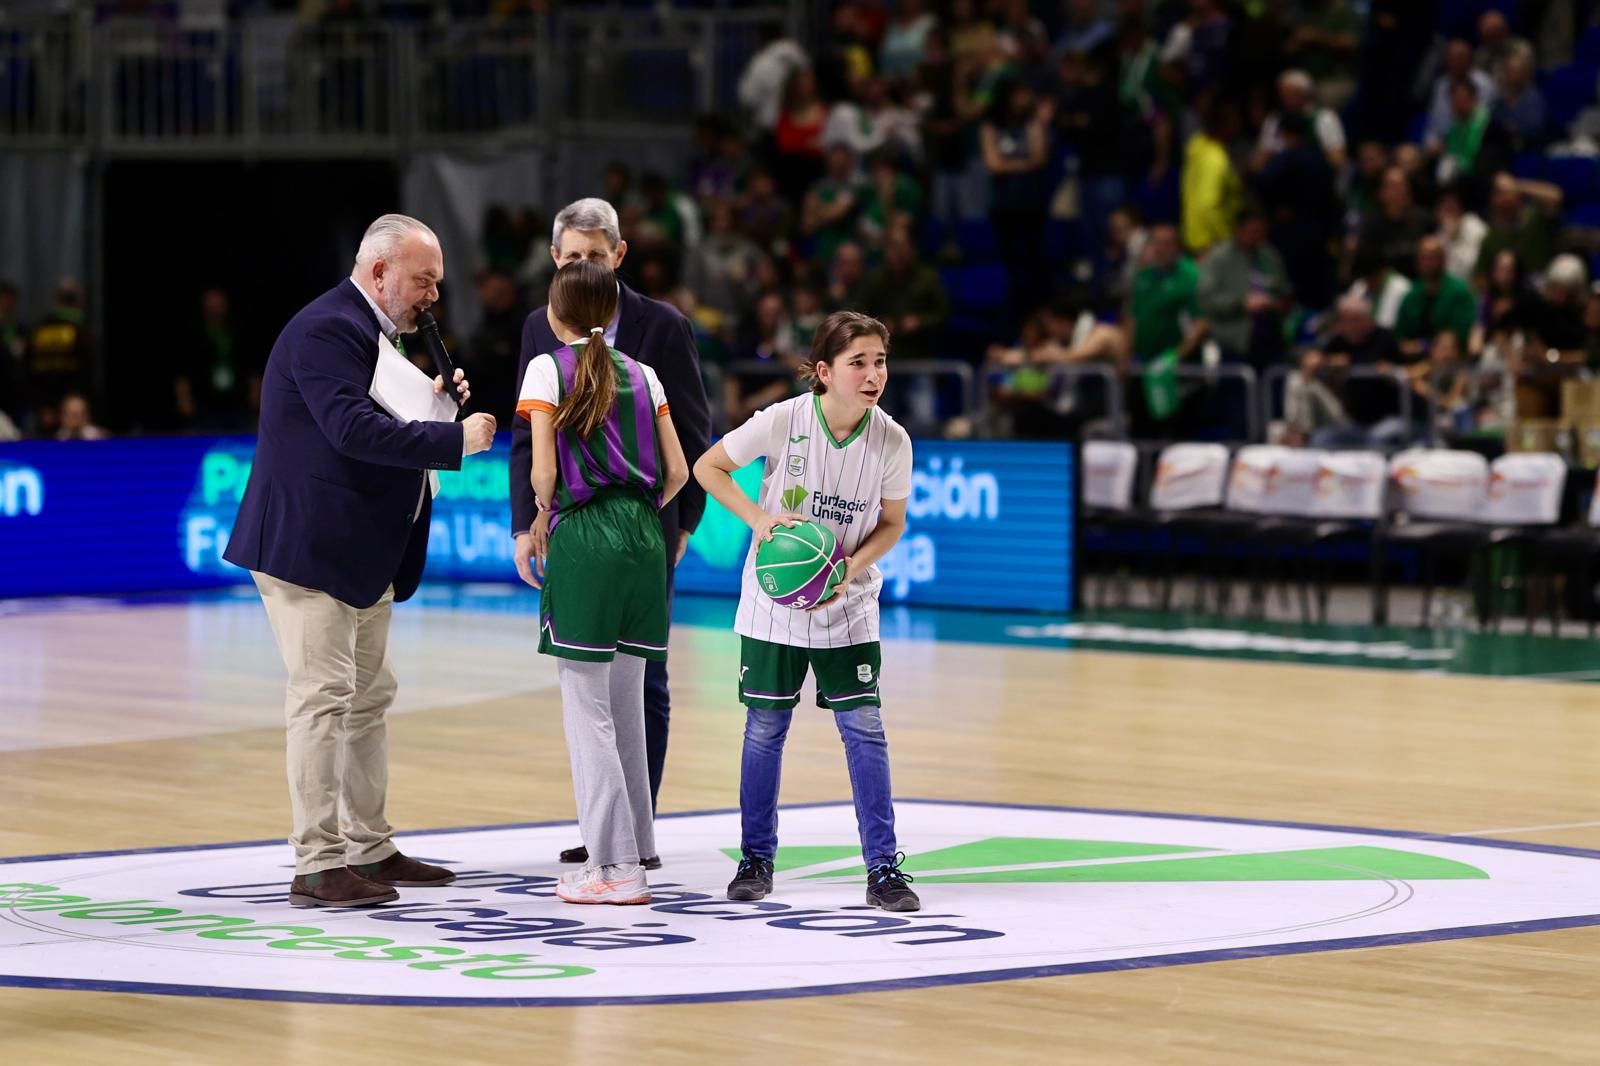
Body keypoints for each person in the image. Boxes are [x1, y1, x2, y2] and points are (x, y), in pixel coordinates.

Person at [224, 214, 498, 908]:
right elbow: (350, 429)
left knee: (368, 697)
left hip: (360, 551)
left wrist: (436, 407)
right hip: (309, 548)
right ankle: (317, 864)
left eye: (437, 282)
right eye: (423, 280)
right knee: (322, 701)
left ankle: (369, 846)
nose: (433, 295)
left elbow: (380, 420)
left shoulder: (375, 335)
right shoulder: (326, 330)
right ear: (378, 272)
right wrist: (452, 440)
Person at [693, 310, 920, 913]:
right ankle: (755, 859)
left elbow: (892, 524)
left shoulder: (892, 440)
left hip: (850, 605)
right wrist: (760, 520)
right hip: (773, 606)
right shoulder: (783, 420)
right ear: (823, 372)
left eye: (880, 362)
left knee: (865, 730)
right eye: (858, 363)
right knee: (765, 730)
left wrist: (850, 566)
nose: (874, 375)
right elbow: (707, 467)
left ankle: (884, 869)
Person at [510, 198, 712, 869]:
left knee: (591, 698)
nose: (583, 269)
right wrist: (650, 513)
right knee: (627, 691)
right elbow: (680, 464)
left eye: (594, 258)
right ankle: (635, 839)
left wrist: (545, 514)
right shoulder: (629, 366)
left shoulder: (655, 331)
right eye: (573, 259)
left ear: (618, 257)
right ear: (557, 259)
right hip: (640, 529)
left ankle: (613, 850)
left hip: (587, 531)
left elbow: (695, 429)